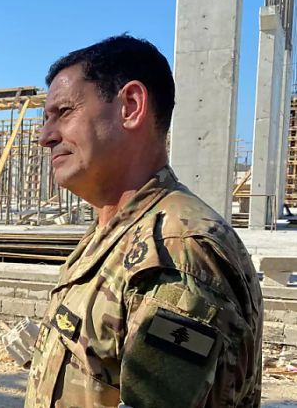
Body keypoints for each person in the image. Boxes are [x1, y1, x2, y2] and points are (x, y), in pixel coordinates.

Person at [24, 35, 263, 408]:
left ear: (131, 106)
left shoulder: (177, 251)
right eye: (45, 119)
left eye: (64, 112)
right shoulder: (116, 233)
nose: (45, 137)